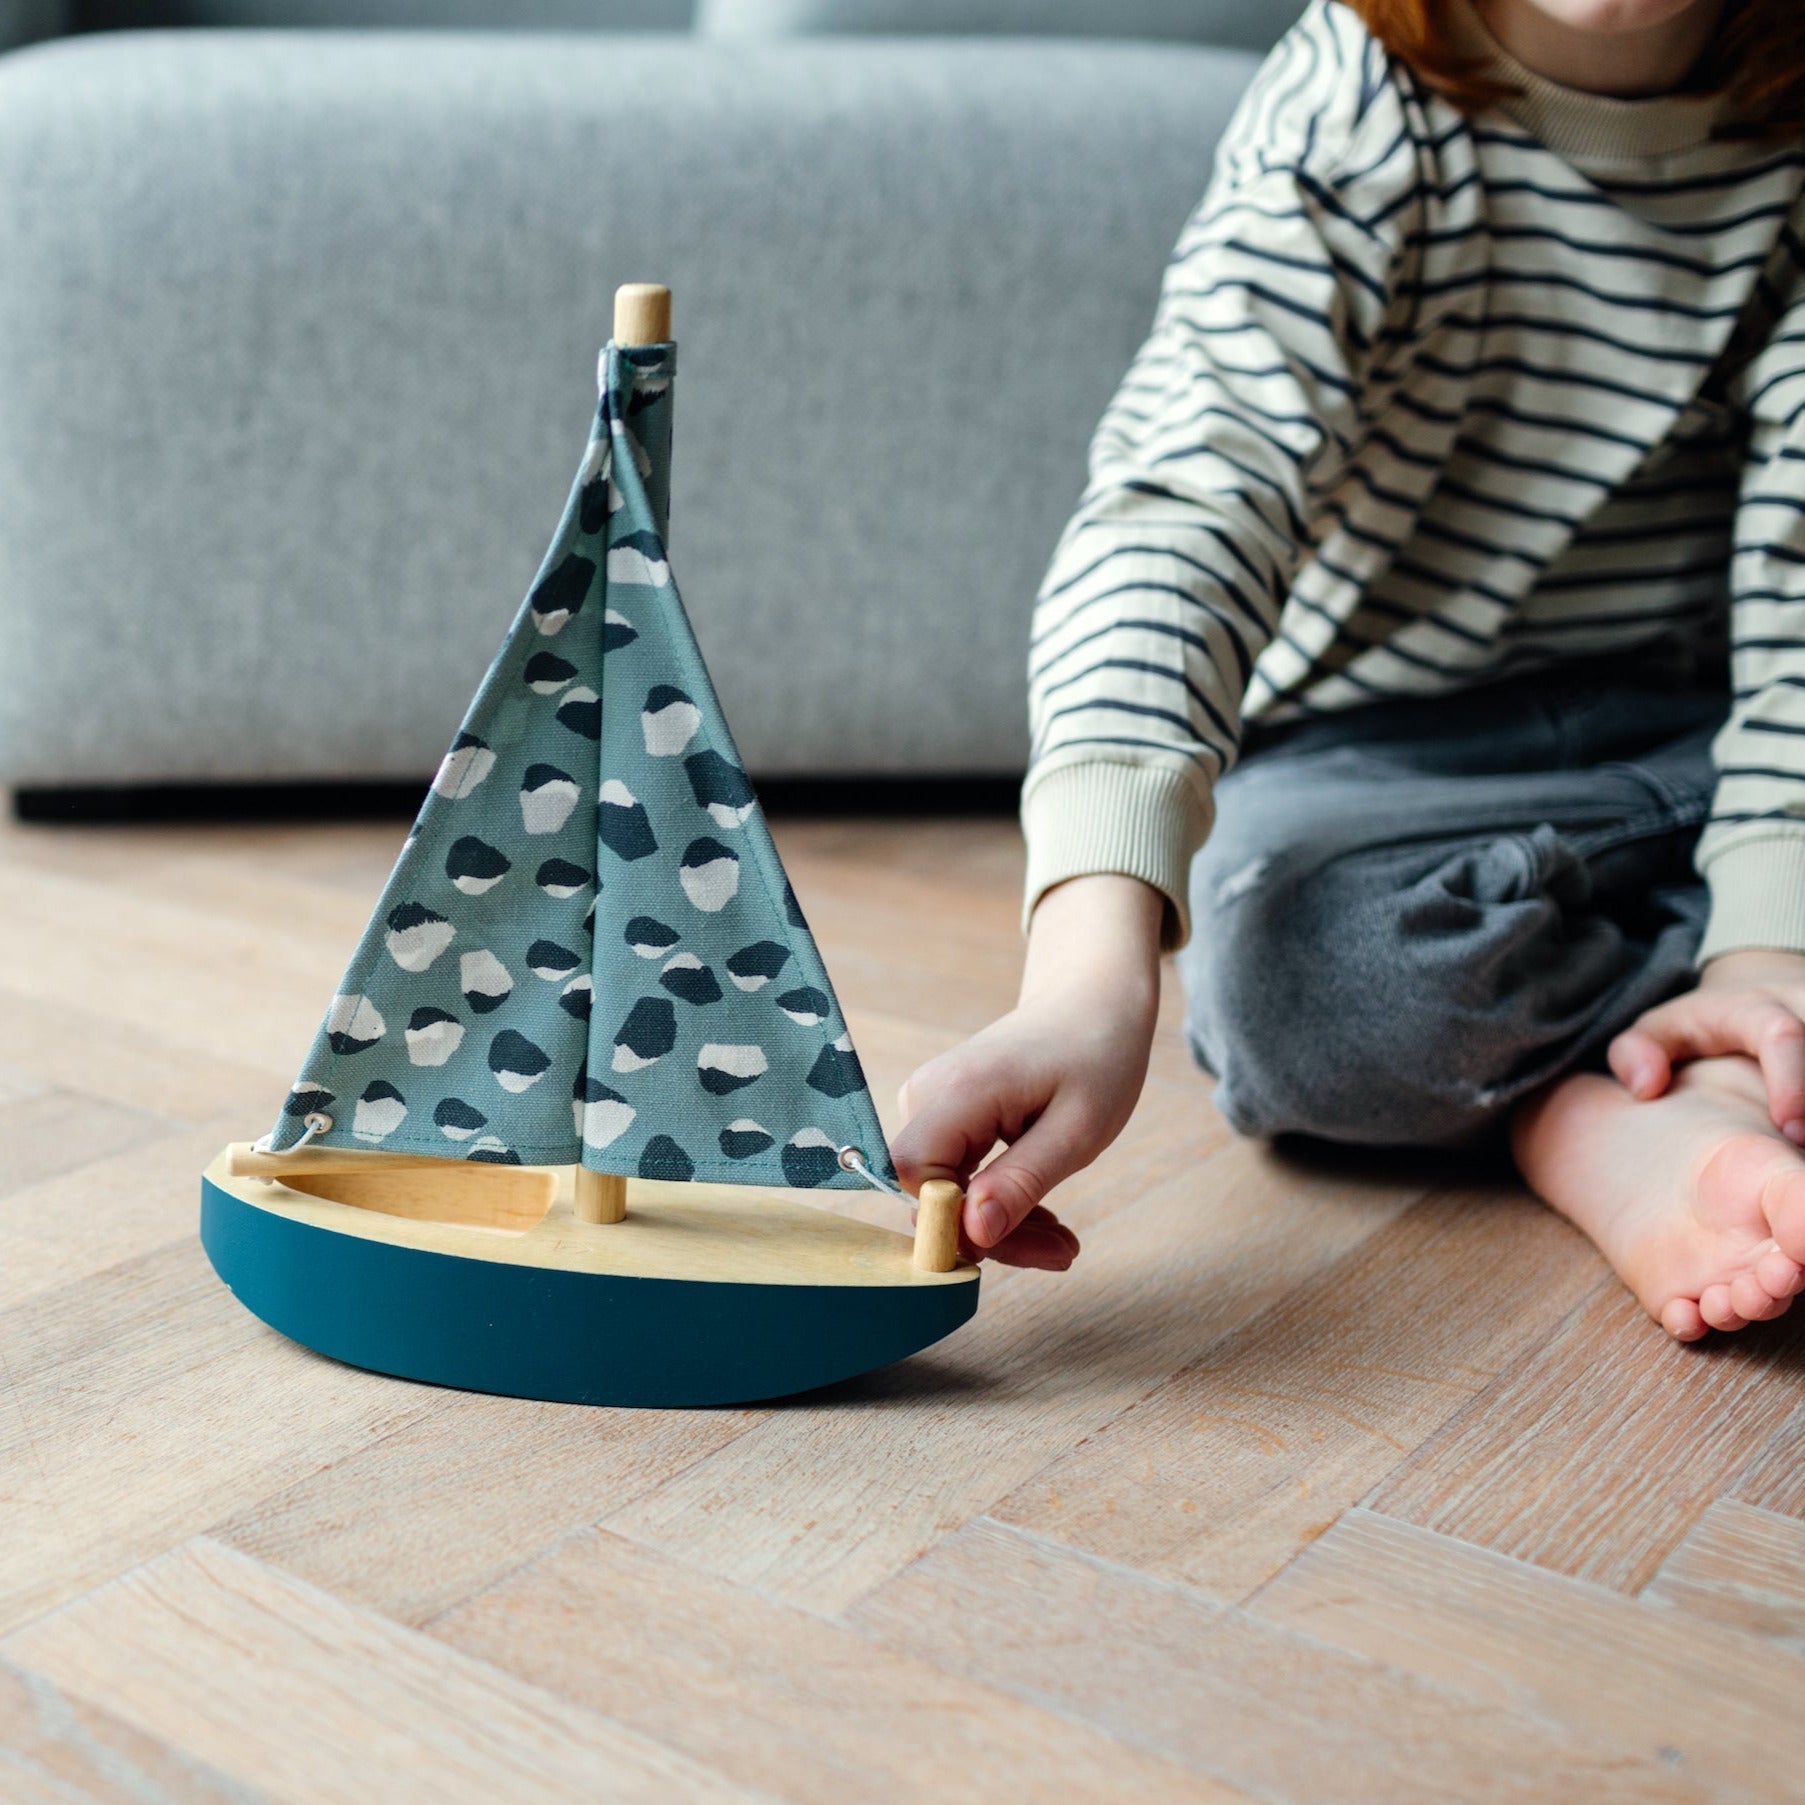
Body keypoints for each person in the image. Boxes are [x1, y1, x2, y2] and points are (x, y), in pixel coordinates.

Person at [890, 0, 1805, 1341]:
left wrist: (1766, 942)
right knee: (1293, 970)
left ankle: (1681, 1034)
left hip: (1705, 745)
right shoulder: (1355, 109)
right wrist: (1089, 972)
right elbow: (1191, 508)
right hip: (1389, 759)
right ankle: (1597, 1102)